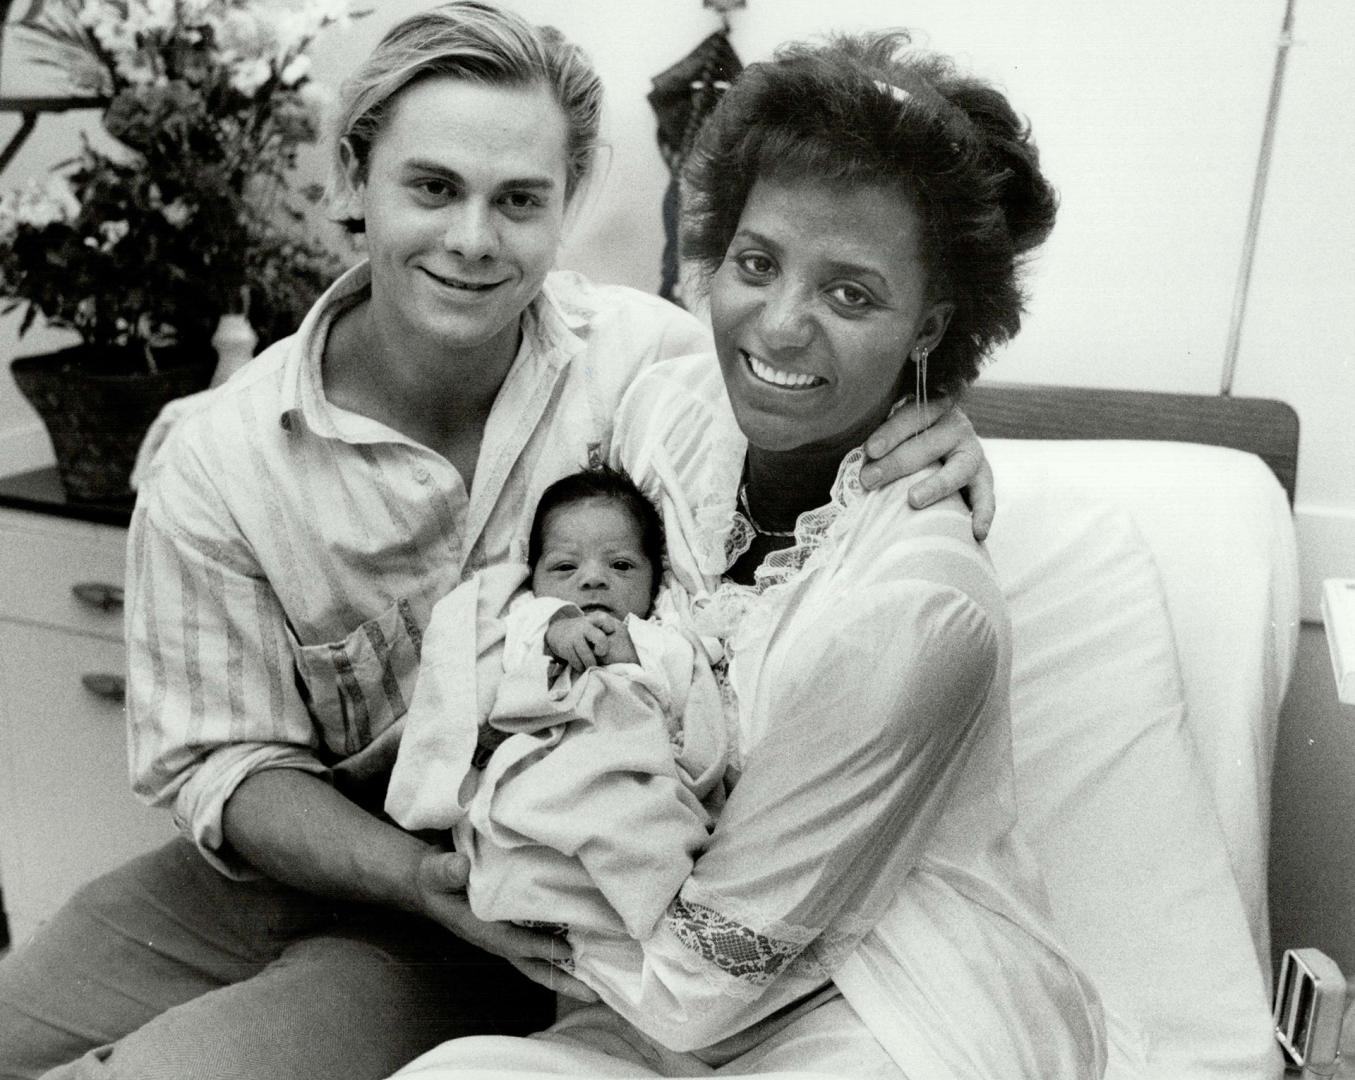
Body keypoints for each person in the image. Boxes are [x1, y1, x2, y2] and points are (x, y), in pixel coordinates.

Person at [0, 6, 993, 1079]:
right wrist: (399, 869)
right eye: (431, 187)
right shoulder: (220, 456)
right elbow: (222, 765)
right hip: (284, 866)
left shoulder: (644, 368)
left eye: (517, 200)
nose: (472, 240)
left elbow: (806, 392)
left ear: (565, 202)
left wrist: (941, 424)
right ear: (351, 180)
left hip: (485, 901)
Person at [385, 28, 1136, 1080]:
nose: (777, 326)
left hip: (882, 1005)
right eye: (755, 262)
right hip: (643, 968)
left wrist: (511, 884)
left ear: (930, 326)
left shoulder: (919, 608)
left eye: (850, 294)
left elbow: (702, 987)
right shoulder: (663, 411)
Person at [387, 463, 729, 942]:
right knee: (520, 811)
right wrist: (558, 631)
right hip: (545, 763)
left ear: (655, 580)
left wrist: (630, 648)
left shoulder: (662, 633)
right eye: (566, 567)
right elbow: (506, 669)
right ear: (534, 578)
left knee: (646, 830)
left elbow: (684, 679)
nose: (593, 580)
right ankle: (544, 898)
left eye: (622, 565)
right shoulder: (529, 618)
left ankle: (635, 912)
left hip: (628, 771)